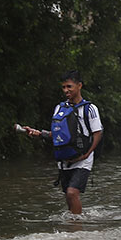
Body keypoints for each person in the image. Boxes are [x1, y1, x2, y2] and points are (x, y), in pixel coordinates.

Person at [24, 70, 103, 214]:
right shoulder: (59, 108)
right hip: (64, 159)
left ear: (79, 86)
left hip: (83, 159)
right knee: (68, 195)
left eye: (69, 87)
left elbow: (98, 133)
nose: (66, 90)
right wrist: (40, 134)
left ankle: (77, 228)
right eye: (64, 87)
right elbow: (57, 134)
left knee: (73, 193)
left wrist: (87, 155)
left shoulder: (90, 109)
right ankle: (73, 228)